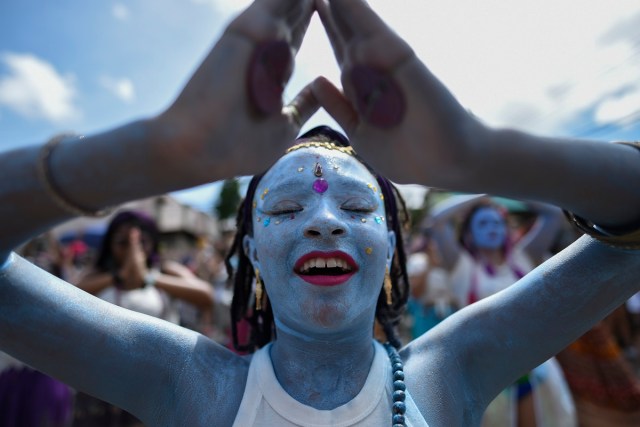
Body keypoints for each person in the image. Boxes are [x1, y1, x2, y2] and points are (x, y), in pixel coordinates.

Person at [1, 1, 640, 426]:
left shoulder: (453, 369)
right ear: (250, 250)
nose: (324, 220)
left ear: (392, 244)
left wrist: (487, 157)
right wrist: (149, 155)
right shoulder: (189, 385)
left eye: (358, 206)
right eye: (283, 207)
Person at [73, 210, 214, 426]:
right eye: (122, 241)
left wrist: (150, 278)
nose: (133, 248)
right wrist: (119, 276)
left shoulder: (166, 270)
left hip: (160, 381)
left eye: (142, 241)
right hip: (106, 381)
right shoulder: (98, 274)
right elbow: (70, 295)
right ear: (109, 243)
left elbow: (206, 296)